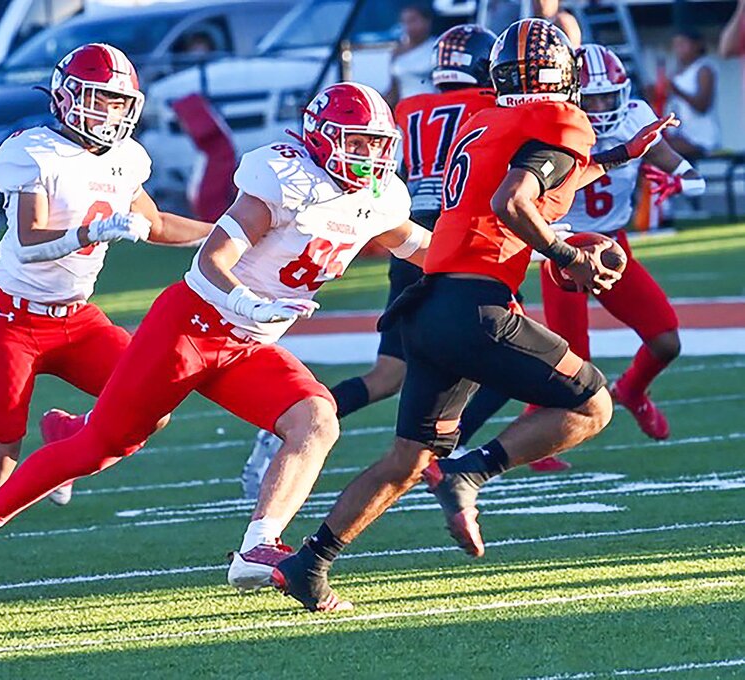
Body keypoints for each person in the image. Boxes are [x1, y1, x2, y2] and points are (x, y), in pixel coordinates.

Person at [0, 82, 434, 618]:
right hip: (192, 326)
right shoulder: (283, 179)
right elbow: (213, 262)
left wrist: (494, 259)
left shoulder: (378, 197)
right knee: (99, 447)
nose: (371, 156)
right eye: (359, 142)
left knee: (317, 420)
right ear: (323, 138)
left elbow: (419, 246)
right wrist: (249, 302)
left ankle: (260, 544)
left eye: (379, 144)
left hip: (247, 346)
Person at [272, 19, 678, 612]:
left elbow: (540, 173)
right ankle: (472, 472)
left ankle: (310, 562)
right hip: (476, 307)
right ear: (565, 75)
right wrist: (568, 256)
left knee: (407, 459)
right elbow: (513, 199)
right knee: (593, 403)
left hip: (428, 302)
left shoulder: (486, 119)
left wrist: (617, 155)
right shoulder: (560, 118)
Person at [0, 43, 212, 609]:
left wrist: (228, 231)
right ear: (66, 97)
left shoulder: (126, 159)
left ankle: (72, 433)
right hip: (13, 320)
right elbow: (29, 238)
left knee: (155, 401)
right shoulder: (32, 151)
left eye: (119, 103)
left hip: (78, 318)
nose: (110, 114)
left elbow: (157, 221)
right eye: (99, 100)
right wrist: (90, 235)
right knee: (0, 456)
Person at [240, 24, 499, 500]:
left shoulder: (411, 107)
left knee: (389, 375)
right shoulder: (487, 107)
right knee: (501, 353)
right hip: (451, 240)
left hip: (409, 233)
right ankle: (448, 460)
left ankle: (285, 426)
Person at [455, 44, 707, 459]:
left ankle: (632, 391)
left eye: (611, 95)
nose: (604, 105)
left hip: (611, 247)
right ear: (573, 94)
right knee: (568, 369)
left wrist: (688, 179)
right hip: (562, 248)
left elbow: (668, 157)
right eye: (594, 97)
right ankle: (531, 448)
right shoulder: (557, 124)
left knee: (666, 340)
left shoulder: (633, 117)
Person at [662, 30, 720, 160]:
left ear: (696, 45)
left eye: (682, 44)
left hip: (701, 136)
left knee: (658, 149)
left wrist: (677, 91)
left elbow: (702, 106)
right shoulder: (677, 71)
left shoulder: (704, 69)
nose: (678, 50)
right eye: (676, 45)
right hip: (681, 133)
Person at [385, 4, 436, 109]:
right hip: (406, 112)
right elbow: (394, 91)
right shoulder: (397, 51)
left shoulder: (436, 47)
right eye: (405, 22)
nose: (409, 26)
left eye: (413, 21)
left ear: (427, 22)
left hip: (431, 109)